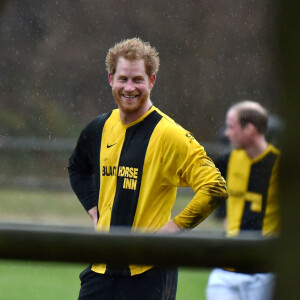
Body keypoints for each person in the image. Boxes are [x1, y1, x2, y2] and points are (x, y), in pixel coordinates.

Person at [68, 37, 228, 300]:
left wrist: (171, 231)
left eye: (138, 79)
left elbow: (215, 188)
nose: (129, 87)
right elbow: (77, 168)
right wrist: (94, 210)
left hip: (150, 272)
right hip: (101, 268)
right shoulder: (98, 127)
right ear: (110, 79)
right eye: (123, 79)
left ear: (152, 81)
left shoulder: (170, 135)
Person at [206, 101, 280, 300]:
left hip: (265, 273)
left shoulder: (282, 167)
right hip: (227, 269)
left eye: (231, 127)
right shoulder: (227, 161)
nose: (226, 134)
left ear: (250, 129)